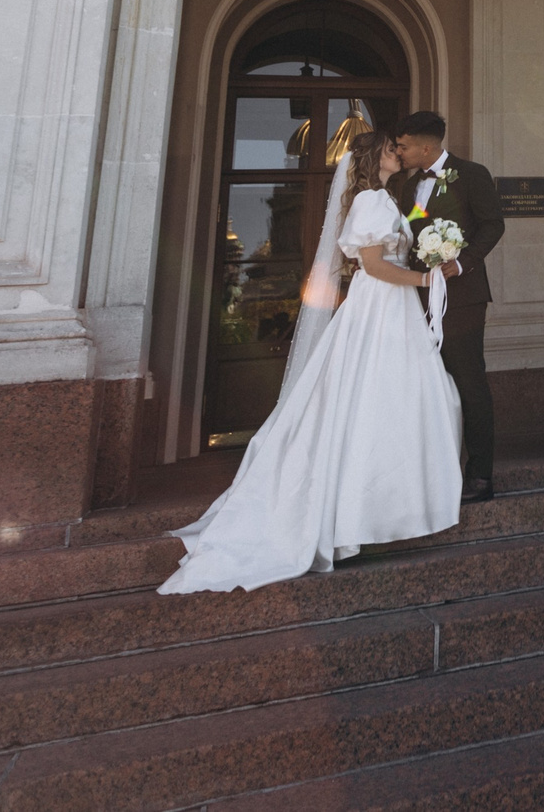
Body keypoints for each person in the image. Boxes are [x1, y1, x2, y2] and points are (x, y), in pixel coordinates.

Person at [157, 132, 462, 592]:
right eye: (390, 149)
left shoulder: (386, 201)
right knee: (378, 395)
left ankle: (391, 504)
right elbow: (376, 266)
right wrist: (426, 277)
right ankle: (363, 509)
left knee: (403, 395)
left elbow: (410, 227)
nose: (397, 153)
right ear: (372, 157)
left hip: (390, 308)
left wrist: (439, 234)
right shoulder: (371, 201)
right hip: (381, 304)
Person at [391, 111, 505, 501]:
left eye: (404, 146)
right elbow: (415, 227)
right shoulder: (410, 189)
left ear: (426, 146)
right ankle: (436, 472)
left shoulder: (472, 174)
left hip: (462, 298)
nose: (399, 152)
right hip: (419, 296)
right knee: (429, 384)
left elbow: (493, 225)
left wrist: (462, 261)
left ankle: (480, 476)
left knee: (470, 381)